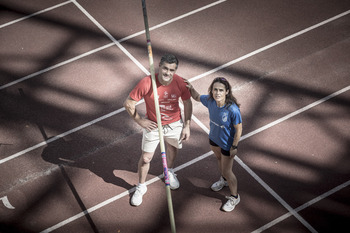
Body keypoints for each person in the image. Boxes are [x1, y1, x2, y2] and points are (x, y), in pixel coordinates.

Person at [124, 54, 192, 206]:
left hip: (174, 124)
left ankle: (169, 171)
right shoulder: (147, 82)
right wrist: (140, 120)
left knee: (173, 149)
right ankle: (141, 186)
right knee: (146, 158)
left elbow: (187, 103)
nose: (168, 73)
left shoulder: (180, 82)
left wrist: (187, 125)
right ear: (159, 67)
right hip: (153, 125)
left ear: (175, 70)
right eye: (165, 68)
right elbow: (128, 103)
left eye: (171, 70)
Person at [185, 77, 242, 212]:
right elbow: (197, 97)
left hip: (227, 144)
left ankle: (235, 197)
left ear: (227, 91)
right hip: (214, 139)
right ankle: (223, 181)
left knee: (228, 171)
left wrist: (234, 146)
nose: (217, 92)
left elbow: (239, 129)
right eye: (215, 89)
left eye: (221, 90)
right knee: (218, 159)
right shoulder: (210, 100)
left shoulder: (232, 109)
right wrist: (191, 88)